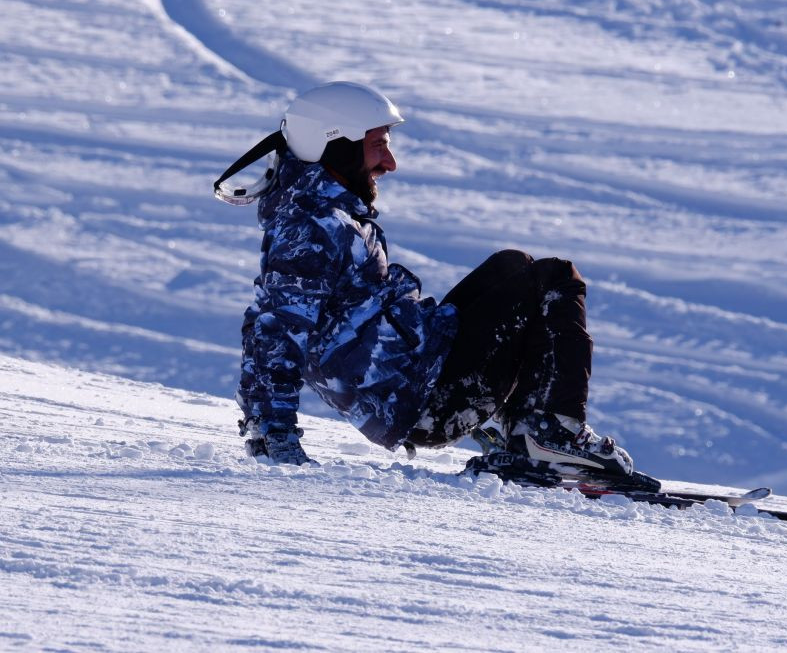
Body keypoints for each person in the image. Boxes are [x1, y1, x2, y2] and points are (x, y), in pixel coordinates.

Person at [218, 81, 653, 490]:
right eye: (378, 146)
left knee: (512, 267)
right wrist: (272, 431)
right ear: (337, 145)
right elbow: (275, 329)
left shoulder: (325, 216)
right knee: (554, 280)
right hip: (419, 401)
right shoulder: (312, 227)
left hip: (418, 377)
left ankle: (524, 429)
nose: (389, 163)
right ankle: (550, 434)